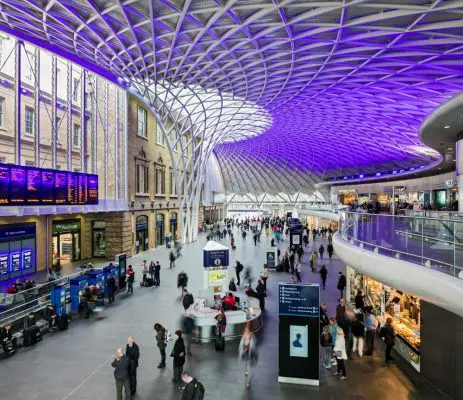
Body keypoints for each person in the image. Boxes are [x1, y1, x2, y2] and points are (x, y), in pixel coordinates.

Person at [238, 324, 259, 388]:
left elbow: (255, 348)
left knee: (249, 368)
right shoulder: (242, 339)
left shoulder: (252, 339)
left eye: (247, 332)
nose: (246, 334)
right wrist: (244, 350)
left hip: (250, 356)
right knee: (246, 364)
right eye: (245, 332)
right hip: (245, 355)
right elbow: (240, 348)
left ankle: (248, 382)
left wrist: (250, 349)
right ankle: (246, 371)